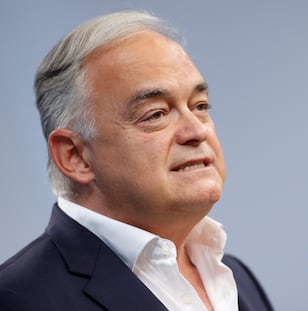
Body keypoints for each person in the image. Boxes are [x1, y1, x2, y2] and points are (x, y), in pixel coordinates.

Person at [0, 11, 274, 311]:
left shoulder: (238, 278)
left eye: (200, 106)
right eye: (155, 114)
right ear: (75, 156)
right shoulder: (19, 298)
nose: (197, 130)